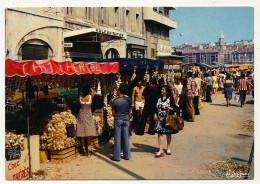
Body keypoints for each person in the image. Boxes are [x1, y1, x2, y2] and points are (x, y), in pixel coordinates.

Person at [154, 85, 178, 157]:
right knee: (159, 133)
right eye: (161, 89)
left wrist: (170, 108)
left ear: (166, 91)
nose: (162, 91)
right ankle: (160, 149)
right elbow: (156, 107)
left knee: (168, 133)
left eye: (163, 90)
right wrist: (155, 114)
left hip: (167, 118)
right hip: (160, 118)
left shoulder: (170, 99)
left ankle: (168, 147)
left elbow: (174, 108)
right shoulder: (159, 98)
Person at [111, 84, 132, 161]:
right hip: (126, 119)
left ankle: (117, 156)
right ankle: (127, 156)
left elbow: (113, 113)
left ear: (119, 91)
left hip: (118, 120)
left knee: (117, 138)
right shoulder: (128, 100)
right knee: (126, 137)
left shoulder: (115, 101)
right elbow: (129, 111)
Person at [77, 85, 97, 156]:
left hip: (81, 114)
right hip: (88, 114)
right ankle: (88, 146)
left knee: (82, 130)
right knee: (89, 129)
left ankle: (83, 147)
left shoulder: (80, 98)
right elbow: (93, 93)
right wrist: (90, 87)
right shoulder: (90, 97)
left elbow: (79, 92)